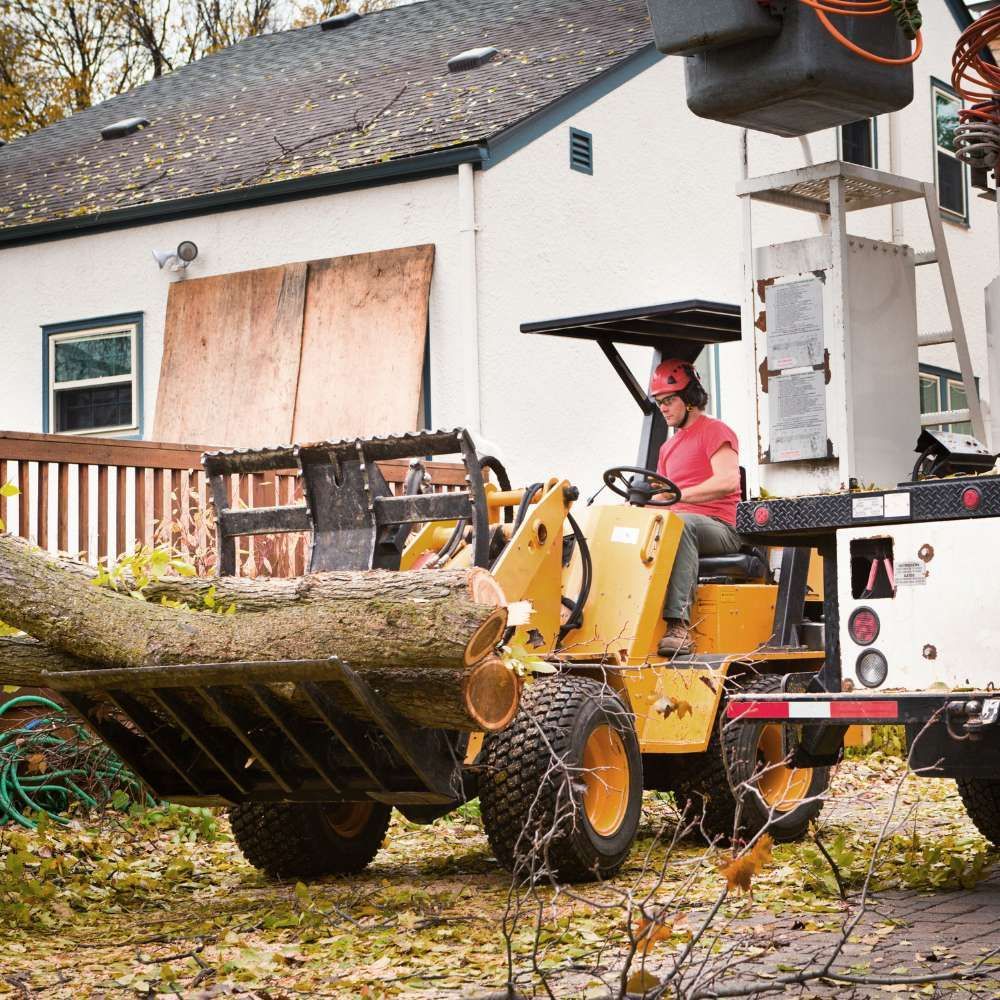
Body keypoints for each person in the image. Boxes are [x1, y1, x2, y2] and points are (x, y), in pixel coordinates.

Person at [650, 359, 742, 655]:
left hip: (722, 527)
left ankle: (679, 625)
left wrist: (678, 497)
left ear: (689, 399)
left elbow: (728, 481)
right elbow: (663, 497)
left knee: (680, 525)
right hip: (680, 523)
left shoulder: (715, 431)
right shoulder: (667, 448)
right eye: (659, 402)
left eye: (668, 400)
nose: (663, 408)